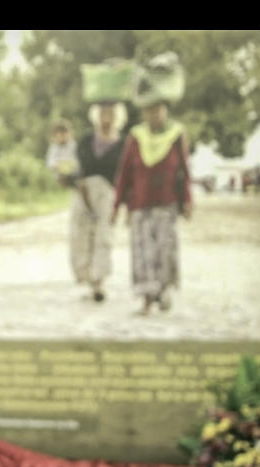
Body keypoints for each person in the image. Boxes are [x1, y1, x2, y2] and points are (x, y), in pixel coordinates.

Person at [111, 53, 192, 316]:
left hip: (167, 205)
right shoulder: (135, 137)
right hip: (139, 206)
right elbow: (124, 174)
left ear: (165, 108)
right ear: (143, 112)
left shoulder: (176, 135)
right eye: (148, 109)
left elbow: (184, 172)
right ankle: (147, 300)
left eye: (158, 108)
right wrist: (116, 207)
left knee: (164, 251)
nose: (153, 114)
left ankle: (164, 292)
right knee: (143, 253)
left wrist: (187, 200)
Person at [62, 102, 127, 302]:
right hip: (83, 192)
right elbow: (75, 166)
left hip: (107, 194)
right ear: (96, 116)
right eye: (102, 113)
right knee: (80, 237)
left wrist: (123, 200)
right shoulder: (86, 140)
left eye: (110, 113)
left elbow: (125, 173)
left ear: (117, 116)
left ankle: (99, 283)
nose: (106, 117)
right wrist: (70, 180)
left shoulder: (124, 143)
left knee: (103, 237)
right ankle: (88, 279)